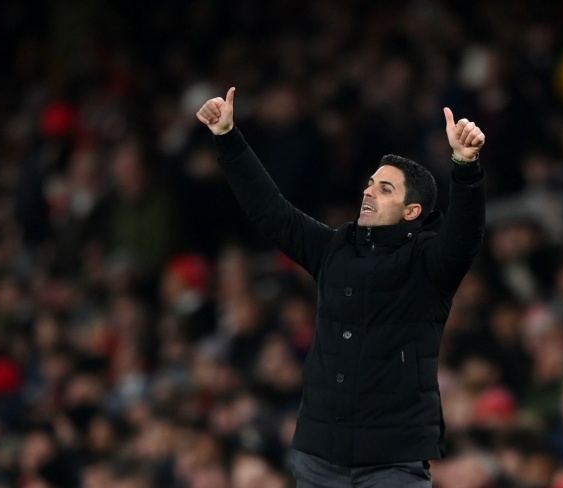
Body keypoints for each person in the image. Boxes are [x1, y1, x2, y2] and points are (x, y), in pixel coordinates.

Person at [196, 87, 486, 487]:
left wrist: (465, 166)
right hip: (319, 457)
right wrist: (228, 137)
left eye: (385, 189)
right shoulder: (334, 248)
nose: (368, 191)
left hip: (392, 461)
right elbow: (270, 211)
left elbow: (465, 237)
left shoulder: (429, 262)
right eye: (370, 183)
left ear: (412, 211)